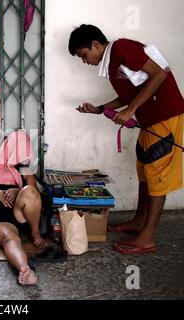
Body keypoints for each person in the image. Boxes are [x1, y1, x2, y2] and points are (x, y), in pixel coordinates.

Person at [68, 24, 184, 255]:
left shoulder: (122, 48)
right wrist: (100, 109)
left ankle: (147, 238)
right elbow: (128, 94)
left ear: (96, 45)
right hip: (150, 120)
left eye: (84, 55)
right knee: (144, 171)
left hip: (165, 116)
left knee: (156, 175)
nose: (85, 61)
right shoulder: (112, 64)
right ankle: (139, 222)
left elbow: (159, 73)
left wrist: (130, 111)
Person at [0, 130, 51, 285]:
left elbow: (34, 195)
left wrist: (18, 190)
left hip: (18, 212)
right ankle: (25, 269)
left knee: (29, 192)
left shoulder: (24, 168)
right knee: (10, 238)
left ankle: (35, 234)